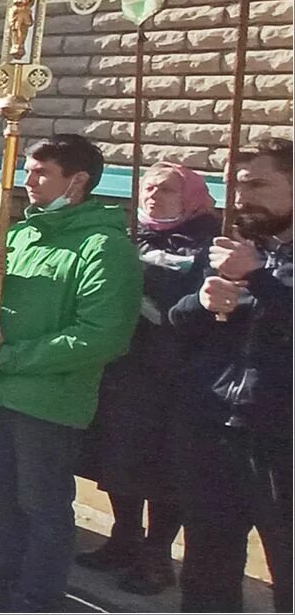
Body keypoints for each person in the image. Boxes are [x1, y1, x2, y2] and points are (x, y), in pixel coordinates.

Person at [0, 135, 143, 612]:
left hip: (51, 398)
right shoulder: (22, 232)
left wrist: (10, 359)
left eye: (41, 173)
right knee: (2, 495)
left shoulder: (104, 247)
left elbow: (102, 334)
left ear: (78, 180)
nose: (27, 182)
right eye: (27, 171)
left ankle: (37, 594)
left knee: (43, 503)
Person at [76, 162, 219, 595]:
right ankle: (124, 537)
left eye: (168, 190)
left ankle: (157, 556)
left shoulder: (208, 245)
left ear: (190, 197)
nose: (155, 196)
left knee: (163, 468)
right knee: (117, 458)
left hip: (175, 373)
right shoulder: (127, 237)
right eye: (149, 188)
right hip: (124, 368)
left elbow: (205, 307)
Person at [170, 137, 291, 614]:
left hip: (282, 439)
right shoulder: (230, 246)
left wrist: (258, 279)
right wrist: (201, 303)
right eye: (236, 186)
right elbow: (179, 322)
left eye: (259, 184)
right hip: (214, 428)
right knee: (207, 565)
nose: (243, 198)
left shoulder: (250, 260)